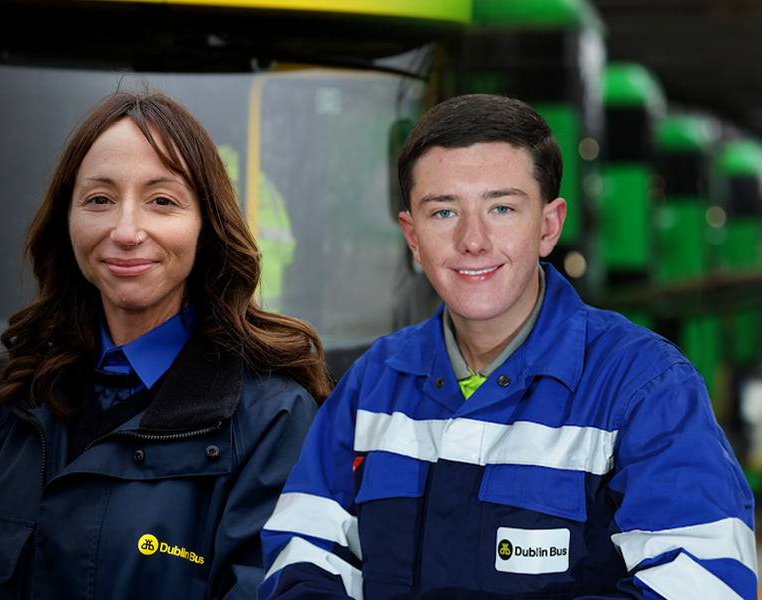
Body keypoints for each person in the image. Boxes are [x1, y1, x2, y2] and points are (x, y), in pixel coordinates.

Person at [257, 94, 758, 600]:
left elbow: (704, 581)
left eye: (501, 208)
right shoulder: (373, 385)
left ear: (548, 226)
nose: (473, 240)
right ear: (412, 236)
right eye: (443, 212)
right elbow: (302, 552)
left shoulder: (643, 387)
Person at [0, 88, 330, 600]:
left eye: (162, 201)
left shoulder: (274, 418)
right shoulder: (16, 398)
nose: (126, 231)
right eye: (99, 200)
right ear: (68, 222)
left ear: (206, 228)